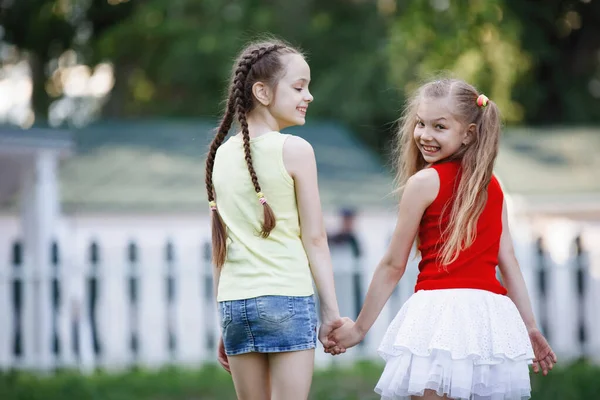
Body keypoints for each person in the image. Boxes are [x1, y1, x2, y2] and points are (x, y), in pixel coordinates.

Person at [327, 78, 557, 400]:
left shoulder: (424, 182)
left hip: (439, 315)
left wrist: (359, 329)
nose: (424, 135)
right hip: (490, 322)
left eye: (439, 126)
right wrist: (529, 326)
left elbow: (394, 264)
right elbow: (509, 262)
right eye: (421, 123)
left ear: (469, 133)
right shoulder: (493, 186)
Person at [204, 38, 344, 400]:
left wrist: (226, 321)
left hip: (235, 305)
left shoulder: (219, 157)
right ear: (262, 92)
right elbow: (315, 240)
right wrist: (331, 314)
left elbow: (219, 248)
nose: (309, 95)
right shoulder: (297, 150)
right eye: (299, 87)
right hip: (286, 297)